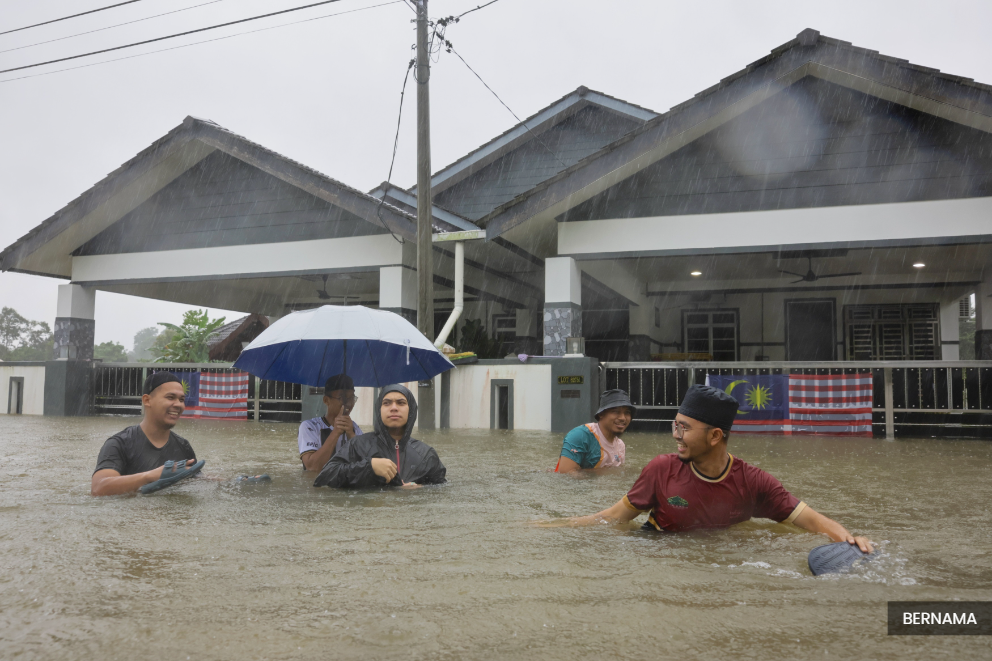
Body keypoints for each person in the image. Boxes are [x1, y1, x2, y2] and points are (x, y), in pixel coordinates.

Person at [555, 385, 874, 553]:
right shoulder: (661, 469)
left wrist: (848, 539)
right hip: (654, 551)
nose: (675, 436)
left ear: (715, 436)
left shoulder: (754, 482)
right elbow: (612, 518)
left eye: (685, 428)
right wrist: (551, 527)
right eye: (675, 426)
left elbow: (810, 520)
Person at [314, 384, 446, 489]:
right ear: (379, 410)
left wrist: (421, 489)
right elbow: (324, 478)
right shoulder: (358, 445)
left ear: (410, 410)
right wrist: (369, 467)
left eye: (401, 403)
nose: (394, 408)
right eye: (387, 403)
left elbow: (441, 488)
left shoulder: (426, 454)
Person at [91, 372, 199, 496]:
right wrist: (151, 476)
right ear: (147, 400)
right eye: (170, 397)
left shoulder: (183, 446)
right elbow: (98, 488)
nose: (178, 404)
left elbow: (196, 479)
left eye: (181, 400)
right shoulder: (119, 443)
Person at [556, 389, 633, 472]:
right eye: (616, 412)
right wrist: (606, 474)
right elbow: (566, 473)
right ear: (601, 414)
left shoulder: (620, 445)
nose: (623, 418)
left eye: (627, 413)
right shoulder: (580, 436)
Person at [298, 374, 362, 471]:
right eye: (343, 397)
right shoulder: (310, 427)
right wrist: (336, 432)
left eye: (352, 398)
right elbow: (312, 467)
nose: (349, 403)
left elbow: (366, 464)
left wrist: (351, 435)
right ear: (326, 400)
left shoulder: (354, 428)